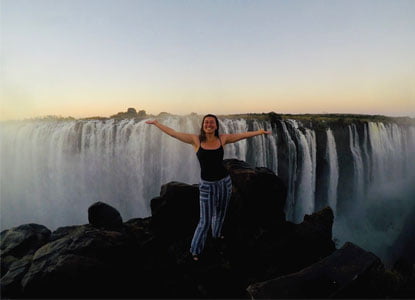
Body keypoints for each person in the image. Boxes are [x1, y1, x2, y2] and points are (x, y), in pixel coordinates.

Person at [146, 114, 271, 261]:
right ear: (203, 125)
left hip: (224, 183)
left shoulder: (222, 139)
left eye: (212, 122)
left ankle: (217, 235)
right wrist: (156, 123)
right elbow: (173, 134)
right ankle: (194, 250)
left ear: (216, 126)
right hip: (206, 186)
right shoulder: (195, 140)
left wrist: (259, 132)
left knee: (220, 213)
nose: (209, 124)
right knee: (204, 221)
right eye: (206, 122)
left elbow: (242, 135)